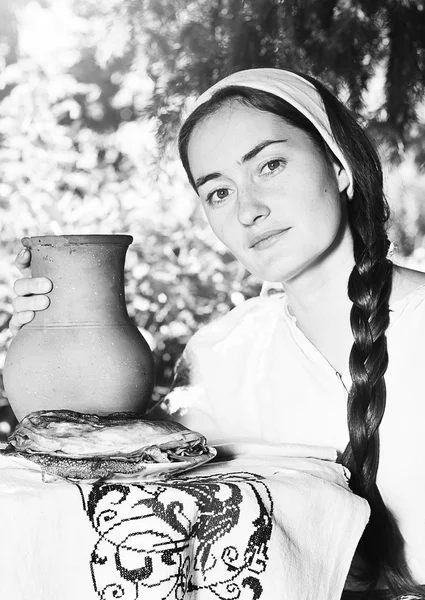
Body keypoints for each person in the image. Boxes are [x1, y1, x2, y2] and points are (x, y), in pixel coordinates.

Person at [9, 68, 425, 599]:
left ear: (339, 165)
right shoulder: (220, 355)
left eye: (270, 165)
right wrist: (50, 333)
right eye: (219, 193)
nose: (249, 210)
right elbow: (107, 480)